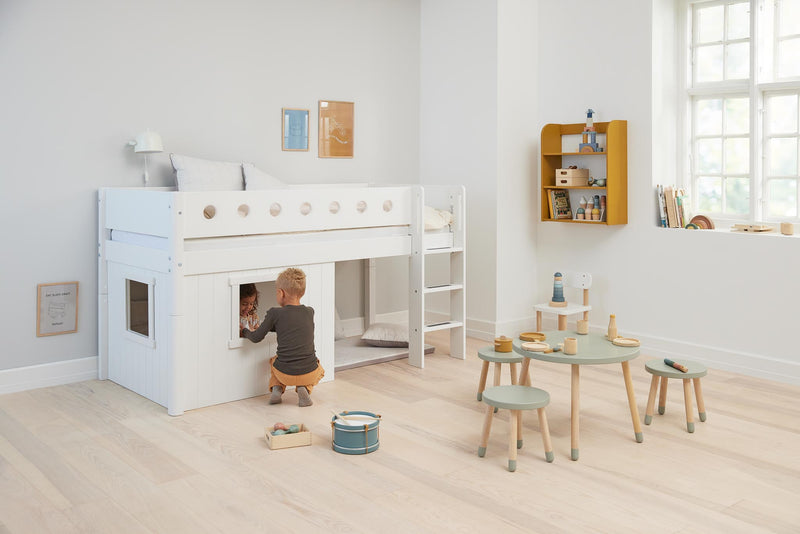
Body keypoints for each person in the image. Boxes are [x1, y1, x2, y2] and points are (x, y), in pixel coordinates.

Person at [240, 268, 324, 407]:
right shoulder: (310, 312)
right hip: (309, 372)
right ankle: (305, 388)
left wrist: (245, 331)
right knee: (319, 367)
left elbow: (255, 338)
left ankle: (277, 388)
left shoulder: (275, 313)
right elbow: (292, 326)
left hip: (284, 373)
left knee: (274, 361)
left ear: (281, 293)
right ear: (302, 293)